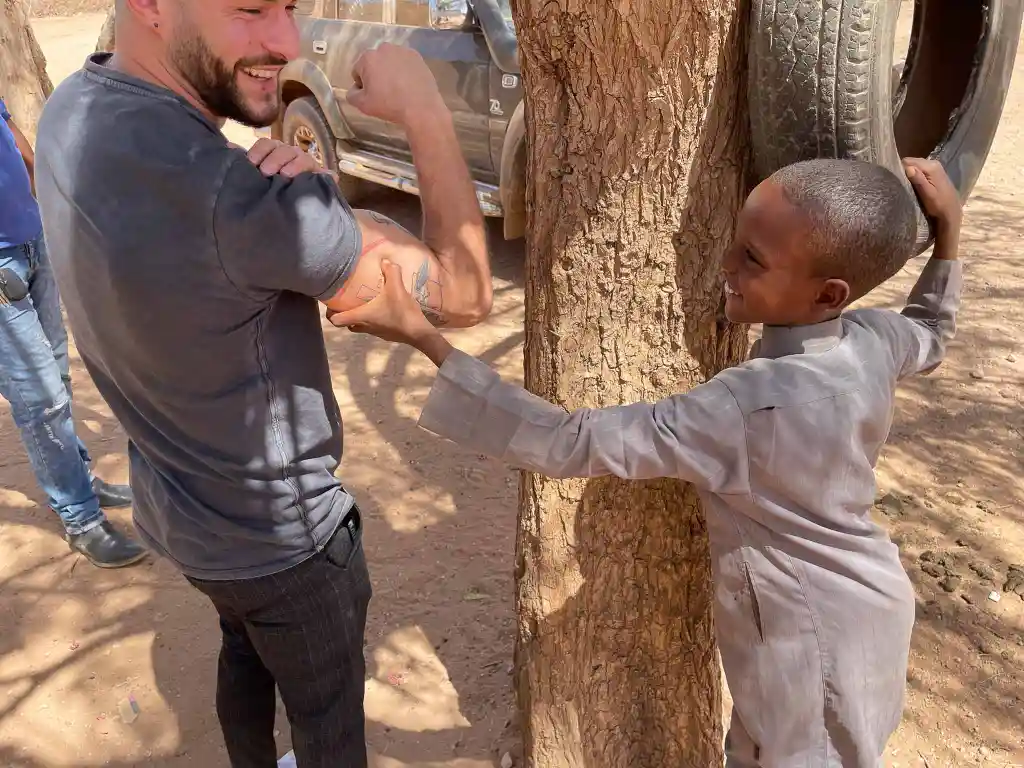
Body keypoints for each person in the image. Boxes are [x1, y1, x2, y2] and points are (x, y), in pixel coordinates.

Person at [328, 157, 964, 766]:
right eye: (735, 241)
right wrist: (949, 236)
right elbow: (930, 333)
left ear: (828, 294)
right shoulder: (874, 340)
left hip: (808, 639)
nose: (725, 265)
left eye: (752, 259)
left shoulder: (746, 407)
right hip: (860, 608)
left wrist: (419, 334)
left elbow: (566, 439)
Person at [32, 0, 492, 765]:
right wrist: (423, 109)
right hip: (289, 543)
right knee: (327, 719)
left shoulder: (72, 108)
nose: (284, 40)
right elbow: (466, 292)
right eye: (250, 8)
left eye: (289, 7)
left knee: (241, 651)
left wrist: (304, 188)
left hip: (184, 519)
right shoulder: (252, 201)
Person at [0, 97, 143, 568]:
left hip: (30, 240)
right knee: (39, 397)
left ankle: (80, 478)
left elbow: (12, 134)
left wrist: (47, 206)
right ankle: (80, 518)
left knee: (58, 377)